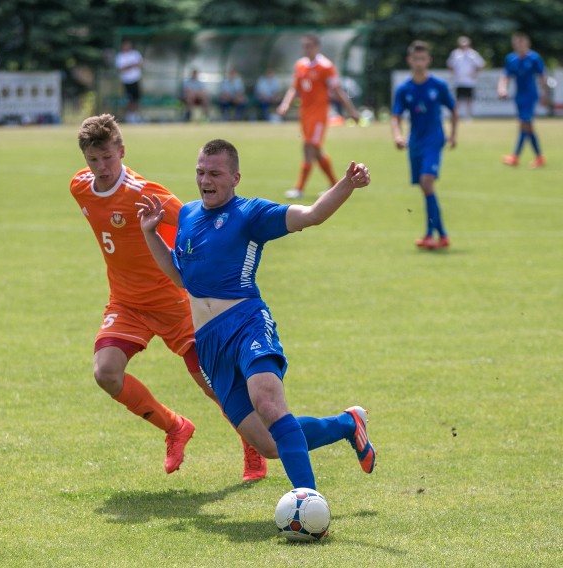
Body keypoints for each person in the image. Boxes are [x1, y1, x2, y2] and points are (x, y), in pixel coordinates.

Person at [136, 138, 376, 491]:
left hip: (246, 323)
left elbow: (312, 215)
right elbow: (180, 276)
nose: (206, 180)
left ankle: (308, 501)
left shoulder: (250, 214)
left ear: (235, 177)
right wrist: (150, 233)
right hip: (209, 344)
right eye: (201, 172)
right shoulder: (187, 214)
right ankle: (347, 424)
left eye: (215, 173)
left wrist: (347, 183)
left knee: (268, 403)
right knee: (268, 444)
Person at [70, 115, 267, 481]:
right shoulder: (79, 187)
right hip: (126, 303)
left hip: (174, 303)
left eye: (108, 158)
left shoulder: (144, 192)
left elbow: (193, 222)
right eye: (93, 160)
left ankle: (252, 444)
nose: (101, 168)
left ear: (122, 151)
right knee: (106, 373)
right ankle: (175, 426)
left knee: (214, 387)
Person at [276, 33, 360, 200]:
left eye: (309, 45)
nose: (306, 49)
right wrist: (285, 104)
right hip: (305, 115)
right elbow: (295, 88)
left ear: (317, 47)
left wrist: (352, 111)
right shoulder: (300, 65)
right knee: (316, 151)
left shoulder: (326, 67)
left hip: (319, 115)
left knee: (308, 148)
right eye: (304, 46)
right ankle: (335, 185)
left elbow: (337, 90)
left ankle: (299, 189)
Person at [392, 40, 458, 251]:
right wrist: (397, 136)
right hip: (415, 143)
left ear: (428, 60)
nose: (419, 62)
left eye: (422, 59)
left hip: (434, 140)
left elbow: (454, 110)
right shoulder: (404, 89)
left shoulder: (438, 86)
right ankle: (442, 234)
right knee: (425, 188)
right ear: (409, 60)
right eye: (415, 59)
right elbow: (395, 116)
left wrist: (453, 135)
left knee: (426, 182)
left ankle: (430, 235)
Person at [497, 32, 548, 168]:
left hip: (530, 95)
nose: (519, 46)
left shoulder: (534, 58)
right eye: (517, 43)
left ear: (527, 44)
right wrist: (502, 88)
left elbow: (542, 76)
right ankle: (539, 157)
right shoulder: (511, 59)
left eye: (522, 43)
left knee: (524, 124)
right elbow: (505, 76)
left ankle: (515, 157)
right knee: (527, 127)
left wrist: (544, 94)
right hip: (519, 96)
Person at [446, 36, 485, 120]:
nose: (464, 47)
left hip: (469, 81)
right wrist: (453, 74)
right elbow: (449, 64)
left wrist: (475, 74)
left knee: (469, 99)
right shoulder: (455, 54)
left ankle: (468, 116)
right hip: (459, 81)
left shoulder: (473, 54)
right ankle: (456, 115)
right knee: (458, 99)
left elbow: (480, 64)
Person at [114, 40, 144, 123]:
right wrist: (131, 65)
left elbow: (140, 63)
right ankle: (129, 116)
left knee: (136, 99)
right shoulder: (120, 56)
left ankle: (135, 115)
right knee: (129, 99)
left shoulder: (135, 53)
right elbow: (121, 68)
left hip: (136, 79)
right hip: (127, 81)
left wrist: (129, 66)